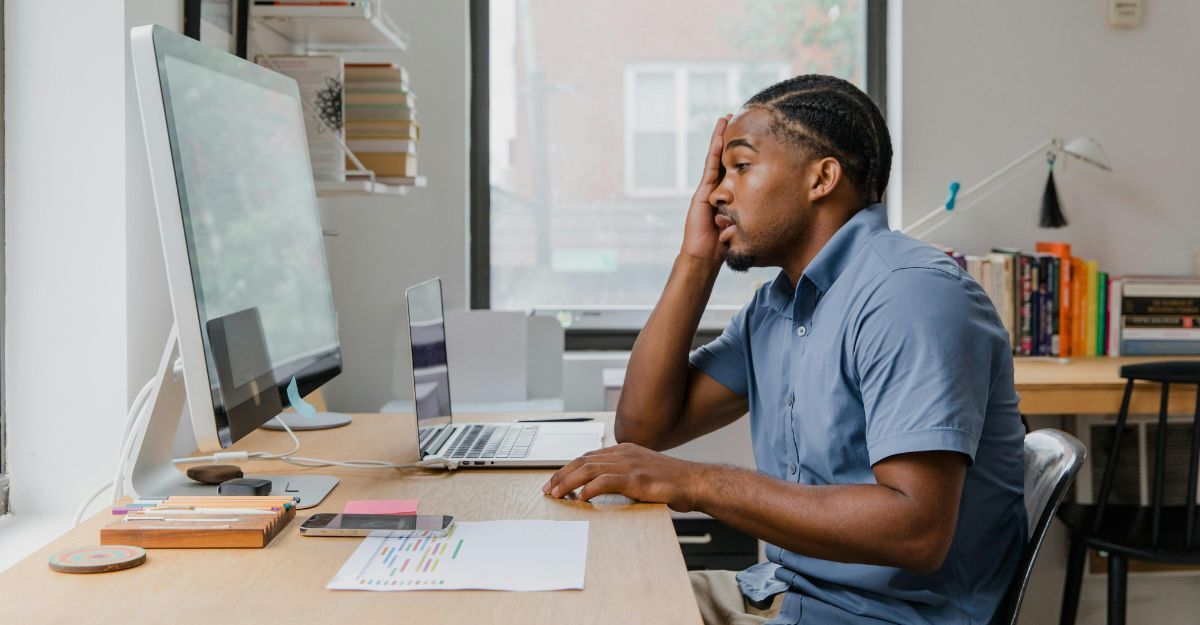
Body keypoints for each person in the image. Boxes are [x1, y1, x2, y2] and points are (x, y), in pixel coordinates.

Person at [543, 75, 1026, 625]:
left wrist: (696, 481)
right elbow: (644, 428)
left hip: (880, 617)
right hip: (787, 593)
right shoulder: (777, 307)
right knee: (576, 598)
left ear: (822, 177)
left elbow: (916, 530)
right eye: (720, 174)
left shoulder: (908, 296)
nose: (718, 193)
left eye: (741, 167)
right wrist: (696, 259)